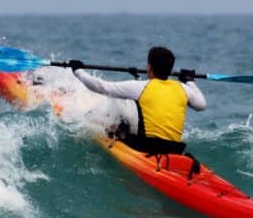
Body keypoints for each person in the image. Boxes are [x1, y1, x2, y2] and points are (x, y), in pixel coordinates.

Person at [69, 46, 206, 155]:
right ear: (170, 69)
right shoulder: (183, 88)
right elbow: (201, 105)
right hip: (176, 149)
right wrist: (190, 81)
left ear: (149, 67)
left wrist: (78, 71)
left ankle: (115, 135)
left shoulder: (141, 87)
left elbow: (102, 87)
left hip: (147, 148)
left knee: (121, 123)